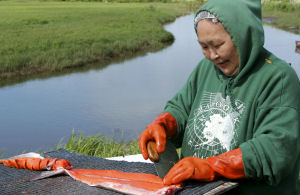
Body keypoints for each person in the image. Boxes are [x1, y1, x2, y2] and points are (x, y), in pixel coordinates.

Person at [139, 0, 300, 194]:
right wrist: (163, 124)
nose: (213, 55)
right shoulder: (205, 69)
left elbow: (275, 149)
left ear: (243, 36)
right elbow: (180, 109)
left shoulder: (279, 77)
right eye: (204, 47)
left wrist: (211, 167)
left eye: (218, 45)